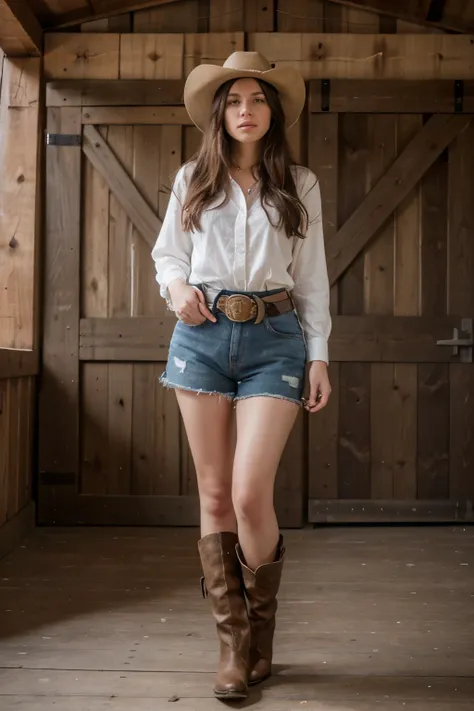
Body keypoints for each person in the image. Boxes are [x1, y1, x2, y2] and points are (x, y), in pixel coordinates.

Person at [151, 51, 332, 699]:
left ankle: (263, 634)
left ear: (272, 111)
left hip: (276, 339)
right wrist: (175, 286)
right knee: (214, 495)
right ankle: (233, 647)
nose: (246, 111)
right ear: (219, 113)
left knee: (251, 493)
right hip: (199, 339)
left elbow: (311, 278)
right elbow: (168, 252)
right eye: (234, 100)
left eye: (257, 100)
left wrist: (319, 355)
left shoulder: (300, 185)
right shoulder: (192, 179)